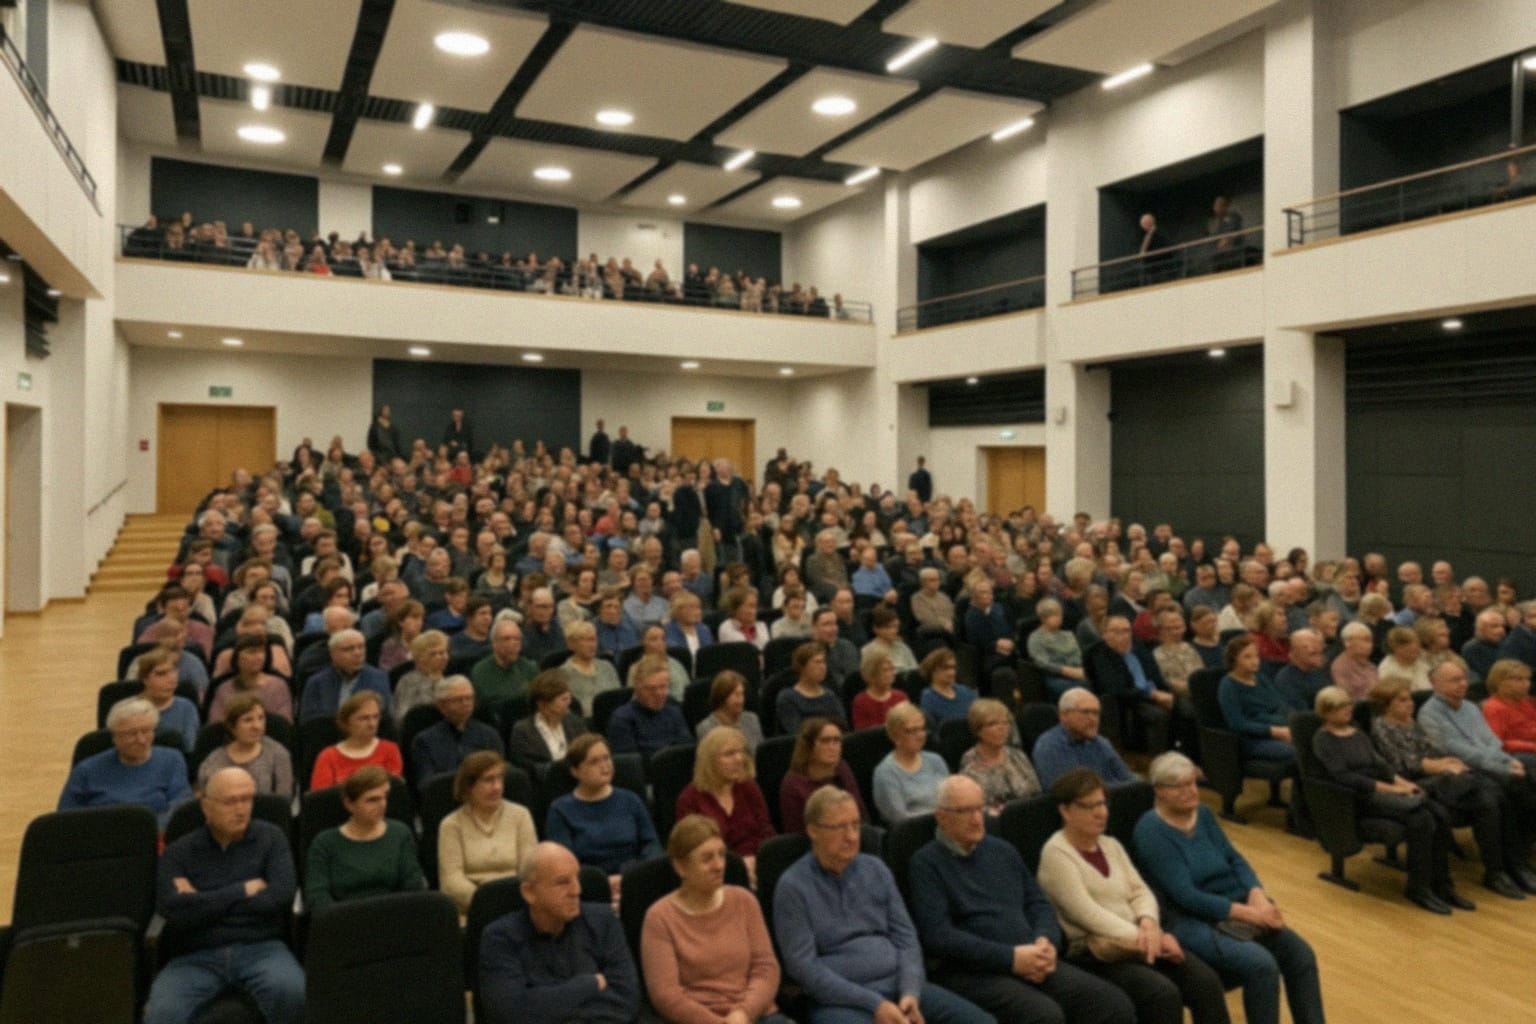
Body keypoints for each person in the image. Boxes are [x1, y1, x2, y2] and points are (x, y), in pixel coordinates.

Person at [909, 775, 1130, 1024]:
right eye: (965, 811)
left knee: (1111, 1003)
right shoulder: (926, 863)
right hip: (976, 971)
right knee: (1044, 1015)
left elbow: (1038, 904)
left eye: (979, 808)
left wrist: (1046, 941)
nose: (976, 818)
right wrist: (1010, 958)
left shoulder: (1002, 850)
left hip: (1033, 955)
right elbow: (939, 936)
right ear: (942, 816)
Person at [775, 786, 994, 1024]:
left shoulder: (876, 869)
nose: (852, 836)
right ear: (813, 831)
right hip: (840, 1001)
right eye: (840, 827)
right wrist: (874, 1004)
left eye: (855, 825)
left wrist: (910, 992)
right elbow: (804, 968)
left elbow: (907, 937)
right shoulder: (793, 886)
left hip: (901, 986)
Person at [1133, 753, 1325, 1024]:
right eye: (1180, 786)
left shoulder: (1204, 814)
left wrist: (1257, 895)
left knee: (1301, 954)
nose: (1191, 791)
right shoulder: (1150, 830)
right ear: (1159, 792)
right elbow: (1185, 895)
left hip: (1238, 905)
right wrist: (1249, 914)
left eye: (1193, 783)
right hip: (1194, 920)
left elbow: (1235, 859)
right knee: (1262, 965)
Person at [1037, 769, 1229, 1024]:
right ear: (1066, 811)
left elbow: (1140, 891)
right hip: (1097, 953)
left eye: (1103, 803)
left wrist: (1149, 922)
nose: (1101, 812)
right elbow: (1088, 915)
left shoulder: (1110, 845)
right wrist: (1153, 940)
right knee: (1162, 993)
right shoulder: (1056, 855)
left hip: (1141, 940)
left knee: (1205, 981)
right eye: (1090, 806)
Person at [143, 768, 304, 1024]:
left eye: (247, 799)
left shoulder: (271, 838)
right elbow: (172, 910)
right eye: (230, 801)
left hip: (261, 947)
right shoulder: (180, 851)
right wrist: (243, 890)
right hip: (194, 955)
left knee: (292, 993)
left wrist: (200, 900)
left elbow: (279, 898)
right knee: (161, 1015)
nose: (241, 809)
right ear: (206, 807)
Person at [1369, 678, 1536, 898]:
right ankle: (1500, 870)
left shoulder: (1410, 722)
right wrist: (1442, 766)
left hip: (1439, 775)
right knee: (1490, 791)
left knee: (1492, 798)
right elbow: (1405, 764)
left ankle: (1505, 867)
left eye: (1409, 699)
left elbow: (1432, 749)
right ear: (1387, 704)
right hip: (1413, 785)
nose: (1410, 703)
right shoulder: (1382, 727)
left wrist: (1448, 761)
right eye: (1402, 700)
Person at [1312, 686, 1462, 913]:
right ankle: (1419, 889)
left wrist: (1401, 782)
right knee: (1424, 815)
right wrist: (1391, 790)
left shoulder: (1357, 732)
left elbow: (1380, 763)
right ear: (1325, 712)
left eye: (1348, 705)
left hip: (1382, 790)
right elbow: (1343, 777)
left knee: (1434, 815)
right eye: (1340, 707)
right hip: (1358, 797)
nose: (1347, 710)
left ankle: (1442, 884)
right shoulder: (1323, 740)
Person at [477, 842, 640, 1024]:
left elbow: (627, 1000)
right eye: (563, 882)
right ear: (529, 892)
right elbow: (512, 1014)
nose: (577, 890)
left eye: (577, 878)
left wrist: (548, 1005)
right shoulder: (500, 938)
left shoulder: (604, 920)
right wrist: (589, 985)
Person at [641, 815, 783, 1024]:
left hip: (754, 1015)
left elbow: (766, 967)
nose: (719, 865)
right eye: (707, 859)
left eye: (721, 855)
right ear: (681, 867)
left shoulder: (744, 900)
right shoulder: (660, 917)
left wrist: (744, 1013)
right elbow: (666, 994)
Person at [304, 765, 425, 913]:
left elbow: (414, 887)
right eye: (372, 800)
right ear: (349, 804)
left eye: (385, 796)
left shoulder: (400, 834)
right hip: (343, 924)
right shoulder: (324, 843)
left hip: (394, 920)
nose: (382, 805)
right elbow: (317, 897)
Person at [59, 697, 190, 827]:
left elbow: (179, 806)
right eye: (132, 733)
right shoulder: (86, 771)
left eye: (146, 731)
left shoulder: (172, 759)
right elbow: (66, 818)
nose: (141, 740)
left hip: (154, 837)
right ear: (115, 737)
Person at [545, 735, 661, 882]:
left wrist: (632, 876)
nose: (605, 766)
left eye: (606, 758)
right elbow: (564, 862)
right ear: (575, 771)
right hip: (588, 885)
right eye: (594, 762)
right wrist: (602, 882)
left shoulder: (630, 800)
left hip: (635, 879)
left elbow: (652, 845)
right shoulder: (560, 810)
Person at [438, 751, 538, 915]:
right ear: (468, 786)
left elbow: (529, 869)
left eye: (500, 779)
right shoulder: (451, 825)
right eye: (488, 780)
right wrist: (487, 903)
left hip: (518, 906)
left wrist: (513, 901)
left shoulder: (521, 815)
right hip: (473, 910)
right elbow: (451, 880)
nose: (497, 787)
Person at [675, 726, 775, 865]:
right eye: (729, 754)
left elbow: (766, 830)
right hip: (717, 869)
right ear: (709, 761)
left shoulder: (748, 786)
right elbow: (692, 851)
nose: (739, 759)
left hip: (758, 863)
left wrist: (759, 860)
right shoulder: (689, 799)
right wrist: (737, 866)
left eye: (741, 752)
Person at [1086, 616, 1172, 754]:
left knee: (1185, 706)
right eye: (1116, 632)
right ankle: (1154, 759)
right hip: (1129, 700)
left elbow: (1155, 675)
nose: (1124, 636)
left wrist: (1166, 693)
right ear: (1105, 634)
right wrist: (1153, 695)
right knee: (1159, 715)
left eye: (1126, 631)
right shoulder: (1099, 654)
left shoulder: (1139, 648)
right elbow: (1115, 689)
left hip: (1154, 693)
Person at [410, 676, 504, 788]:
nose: (466, 704)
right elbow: (427, 785)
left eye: (469, 698)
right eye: (459, 700)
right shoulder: (424, 741)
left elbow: (501, 774)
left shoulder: (489, 735)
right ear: (442, 706)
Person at [1032, 688, 1135, 789]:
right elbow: (1074, 792)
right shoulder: (1049, 746)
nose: (1093, 719)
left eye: (1096, 713)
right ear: (1064, 715)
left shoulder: (1101, 742)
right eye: (1086, 712)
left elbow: (1128, 779)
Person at [1216, 635, 1294, 765]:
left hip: (1280, 728)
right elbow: (1237, 723)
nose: (1255, 661)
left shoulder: (1261, 678)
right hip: (1252, 739)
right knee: (1296, 752)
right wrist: (1274, 731)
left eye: (1256, 656)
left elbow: (1278, 703)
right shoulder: (1228, 685)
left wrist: (1292, 724)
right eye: (1247, 657)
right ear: (1234, 659)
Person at [780, 718, 867, 833]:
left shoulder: (842, 767)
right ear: (809, 746)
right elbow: (797, 833)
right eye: (825, 741)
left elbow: (860, 811)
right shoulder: (793, 784)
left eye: (837, 740)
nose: (833, 747)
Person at [197, 694, 294, 796]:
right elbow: (206, 798)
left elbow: (283, 801)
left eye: (261, 718)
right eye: (248, 720)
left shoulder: (278, 754)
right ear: (231, 726)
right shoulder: (214, 761)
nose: (257, 726)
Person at [960, 698, 1042, 815]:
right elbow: (978, 807)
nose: (1002, 728)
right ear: (978, 730)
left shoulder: (1017, 755)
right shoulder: (970, 762)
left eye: (1005, 723)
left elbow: (1037, 792)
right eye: (993, 724)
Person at [310, 691, 403, 789]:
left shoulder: (390, 750)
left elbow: (394, 793)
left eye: (376, 717)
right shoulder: (328, 757)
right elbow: (321, 799)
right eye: (364, 718)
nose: (372, 724)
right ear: (347, 722)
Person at [872, 703, 947, 824]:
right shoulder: (885, 772)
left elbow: (950, 800)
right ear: (895, 735)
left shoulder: (936, 760)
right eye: (912, 730)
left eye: (922, 729)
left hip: (946, 825)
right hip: (912, 834)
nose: (920, 736)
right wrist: (940, 816)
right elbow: (899, 818)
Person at [607, 655, 692, 758]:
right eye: (651, 689)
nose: (659, 693)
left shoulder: (673, 710)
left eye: (663, 687)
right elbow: (630, 766)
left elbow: (687, 750)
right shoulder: (622, 719)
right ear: (637, 687)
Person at [301, 628, 391, 722]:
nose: (357, 653)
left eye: (361, 647)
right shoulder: (316, 683)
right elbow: (308, 722)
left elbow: (384, 718)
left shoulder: (379, 678)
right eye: (349, 649)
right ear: (333, 654)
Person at [508, 670, 588, 775]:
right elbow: (529, 768)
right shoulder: (523, 731)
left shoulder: (575, 723)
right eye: (563, 699)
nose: (569, 703)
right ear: (543, 704)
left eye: (569, 698)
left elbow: (587, 753)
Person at [208, 634, 293, 723]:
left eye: (262, 652)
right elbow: (216, 724)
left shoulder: (278, 686)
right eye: (252, 652)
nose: (259, 657)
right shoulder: (224, 688)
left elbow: (284, 724)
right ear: (237, 657)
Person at [135, 647, 201, 752]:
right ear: (145, 679)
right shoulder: (126, 710)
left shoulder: (187, 708)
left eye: (173, 672)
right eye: (161, 674)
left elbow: (189, 749)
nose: (171, 680)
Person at [777, 641, 846, 735]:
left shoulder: (830, 695)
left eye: (824, 662)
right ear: (802, 667)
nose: (823, 667)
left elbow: (843, 727)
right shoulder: (788, 697)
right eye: (817, 662)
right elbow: (796, 732)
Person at [471, 618, 539, 707]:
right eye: (506, 639)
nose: (513, 643)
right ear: (494, 643)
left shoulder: (529, 668)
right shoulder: (480, 671)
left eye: (517, 639)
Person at [695, 670, 764, 755]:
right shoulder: (706, 728)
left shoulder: (752, 719)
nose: (741, 700)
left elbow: (761, 756)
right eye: (736, 695)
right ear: (722, 697)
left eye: (742, 694)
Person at [562, 620, 622, 719]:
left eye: (593, 639)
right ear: (571, 644)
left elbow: (619, 699)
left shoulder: (607, 667)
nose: (592, 645)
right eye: (585, 640)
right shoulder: (563, 674)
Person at [1028, 598, 1086, 698]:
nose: (1059, 618)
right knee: (1082, 687)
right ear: (1043, 618)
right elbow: (1042, 663)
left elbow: (1078, 656)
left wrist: (1081, 670)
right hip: (1054, 677)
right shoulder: (1036, 637)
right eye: (1054, 615)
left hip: (1078, 672)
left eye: (1060, 614)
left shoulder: (1068, 635)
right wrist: (1068, 671)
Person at [1480, 658, 1536, 756]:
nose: (1527, 684)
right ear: (1500, 682)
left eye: (1528, 679)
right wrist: (1531, 747)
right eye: (1519, 679)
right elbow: (1498, 743)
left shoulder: (1525, 701)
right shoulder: (1493, 708)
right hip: (1520, 754)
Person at [919, 646, 979, 724]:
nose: (952, 672)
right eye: (945, 668)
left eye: (953, 668)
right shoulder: (928, 698)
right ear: (932, 670)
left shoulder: (966, 691)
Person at [852, 648, 908, 730]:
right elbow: (862, 733)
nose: (890, 674)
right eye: (885, 670)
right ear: (871, 673)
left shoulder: (900, 697)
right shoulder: (861, 701)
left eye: (891, 669)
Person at [1329, 621, 1379, 700]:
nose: (1370, 645)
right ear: (1347, 642)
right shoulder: (1340, 668)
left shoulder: (1371, 666)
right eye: (1365, 640)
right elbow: (1346, 699)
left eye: (1370, 641)